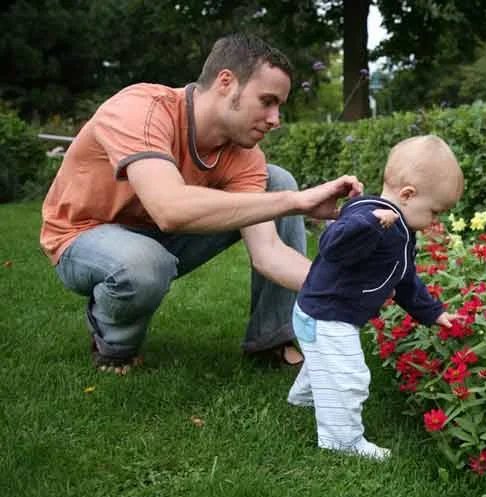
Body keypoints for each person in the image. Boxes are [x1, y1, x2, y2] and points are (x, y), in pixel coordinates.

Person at [39, 34, 363, 374]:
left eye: (279, 105)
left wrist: (345, 288)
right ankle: (114, 343)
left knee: (276, 179)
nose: (275, 119)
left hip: (158, 236)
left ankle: (272, 339)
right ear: (226, 82)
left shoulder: (244, 155)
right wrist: (295, 202)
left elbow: (269, 253)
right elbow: (170, 209)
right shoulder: (141, 108)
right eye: (267, 101)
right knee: (144, 263)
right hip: (83, 236)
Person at [287, 135, 464, 460]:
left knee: (324, 363)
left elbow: (405, 279)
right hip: (326, 315)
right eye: (435, 212)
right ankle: (343, 441)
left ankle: (304, 398)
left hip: (324, 313)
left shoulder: (402, 230)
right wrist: (372, 225)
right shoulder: (368, 216)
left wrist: (433, 312)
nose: (436, 221)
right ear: (408, 195)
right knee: (349, 377)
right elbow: (332, 244)